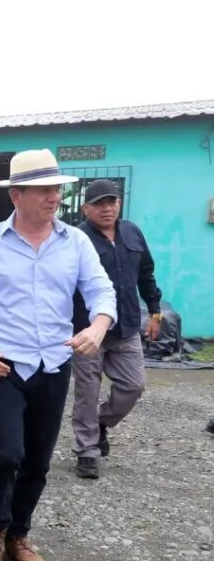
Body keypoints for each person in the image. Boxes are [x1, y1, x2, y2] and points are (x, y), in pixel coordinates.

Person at [0, 149, 116, 561]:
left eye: (56, 189)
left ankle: (18, 533)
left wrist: (98, 326)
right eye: (43, 190)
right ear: (17, 197)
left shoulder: (75, 242)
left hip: (55, 365)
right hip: (3, 363)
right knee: (7, 453)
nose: (53, 198)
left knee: (38, 459)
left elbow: (102, 291)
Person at [70, 179, 163, 479]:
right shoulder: (76, 238)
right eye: (99, 203)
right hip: (87, 331)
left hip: (126, 327)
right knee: (88, 391)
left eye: (112, 202)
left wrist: (155, 311)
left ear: (119, 204)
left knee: (133, 386)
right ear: (86, 208)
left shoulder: (132, 232)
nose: (107, 208)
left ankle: (99, 423)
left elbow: (146, 273)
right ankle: (86, 450)